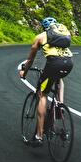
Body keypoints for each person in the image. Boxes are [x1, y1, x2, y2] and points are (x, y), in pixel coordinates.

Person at [19, 16, 73, 146]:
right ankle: (60, 106)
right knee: (58, 78)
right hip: (69, 62)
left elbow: (30, 60)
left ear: (44, 27)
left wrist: (24, 72)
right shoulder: (61, 36)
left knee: (42, 94)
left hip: (54, 64)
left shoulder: (40, 37)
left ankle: (38, 136)